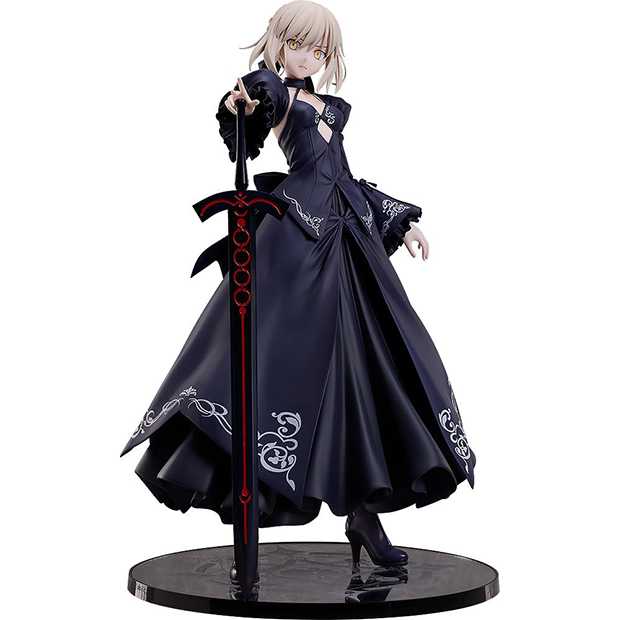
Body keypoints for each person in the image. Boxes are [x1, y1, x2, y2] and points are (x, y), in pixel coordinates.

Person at [120, 0, 475, 568]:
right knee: (276, 364)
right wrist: (238, 109)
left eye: (319, 49)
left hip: (349, 238)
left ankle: (364, 512)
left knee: (370, 368)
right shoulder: (274, 90)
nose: (308, 56)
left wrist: (400, 221)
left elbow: (345, 176)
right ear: (279, 44)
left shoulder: (330, 105)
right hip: (298, 238)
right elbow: (245, 129)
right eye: (298, 45)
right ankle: (254, 509)